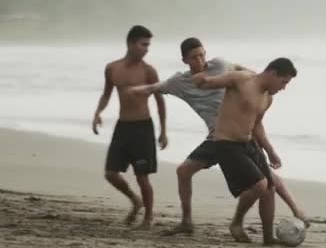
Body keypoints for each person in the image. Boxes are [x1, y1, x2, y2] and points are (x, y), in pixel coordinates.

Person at [128, 38, 307, 236]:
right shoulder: (180, 82)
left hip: (237, 133)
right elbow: (154, 88)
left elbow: (241, 72)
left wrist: (258, 80)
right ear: (185, 60)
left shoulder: (222, 66)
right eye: (194, 57)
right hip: (218, 138)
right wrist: (131, 91)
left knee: (267, 181)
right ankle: (187, 221)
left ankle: (295, 212)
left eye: (202, 54)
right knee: (184, 172)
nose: (201, 60)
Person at [193, 57, 296, 245]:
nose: (284, 87)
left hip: (248, 144)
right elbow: (206, 83)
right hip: (226, 143)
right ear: (273, 74)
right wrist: (201, 75)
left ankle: (268, 238)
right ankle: (236, 223)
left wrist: (271, 151)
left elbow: (256, 125)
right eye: (284, 82)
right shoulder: (240, 79)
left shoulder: (267, 98)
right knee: (259, 185)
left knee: (270, 188)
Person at [92, 25, 167, 230]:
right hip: (122, 126)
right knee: (110, 173)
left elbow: (160, 100)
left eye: (148, 45)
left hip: (143, 127)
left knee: (142, 177)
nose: (146, 49)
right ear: (131, 43)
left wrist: (164, 131)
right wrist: (98, 113)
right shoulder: (112, 68)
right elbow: (107, 93)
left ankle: (148, 217)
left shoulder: (148, 71)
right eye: (143, 44)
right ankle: (135, 200)